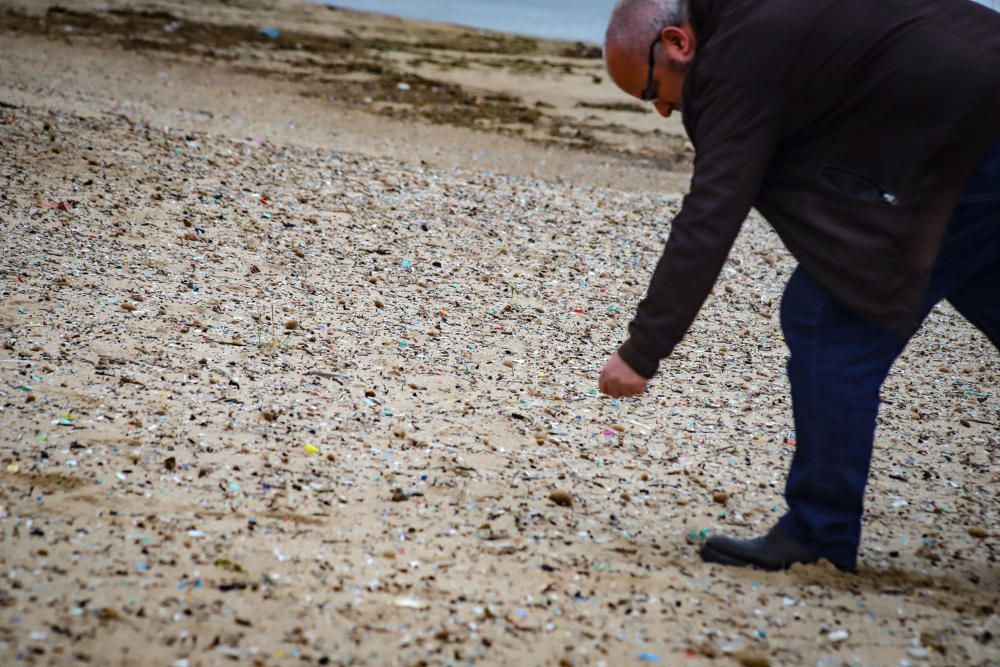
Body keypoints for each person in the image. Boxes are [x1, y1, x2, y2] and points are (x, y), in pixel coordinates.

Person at [598, 0, 1000, 573]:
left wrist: (642, 351)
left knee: (826, 321)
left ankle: (819, 532)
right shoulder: (755, 17)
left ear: (677, 43)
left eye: (649, 90)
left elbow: (713, 209)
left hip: (974, 135)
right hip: (974, 114)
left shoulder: (739, 53)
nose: (663, 109)